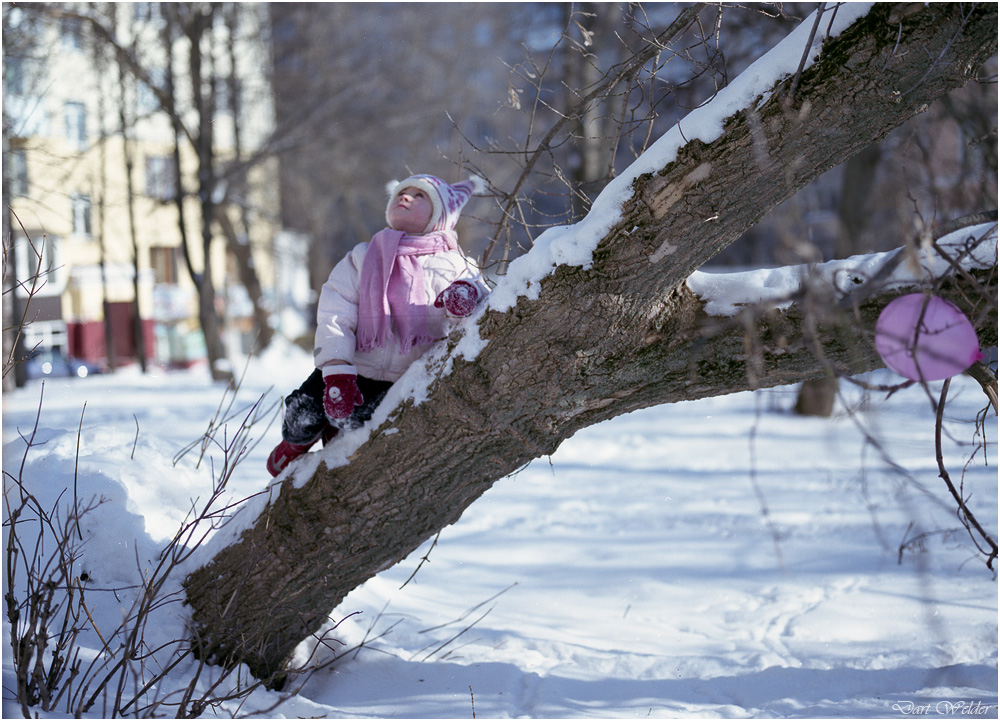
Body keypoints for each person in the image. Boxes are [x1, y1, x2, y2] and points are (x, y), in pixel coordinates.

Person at [267, 174, 488, 476]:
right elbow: (336, 312)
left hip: (398, 381)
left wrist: (464, 297)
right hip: (350, 368)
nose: (405, 197)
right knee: (303, 410)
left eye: (419, 196)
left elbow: (479, 300)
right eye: (402, 193)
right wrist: (337, 369)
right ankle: (294, 445)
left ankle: (334, 434)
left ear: (441, 216)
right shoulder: (364, 256)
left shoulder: (455, 264)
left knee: (356, 423)